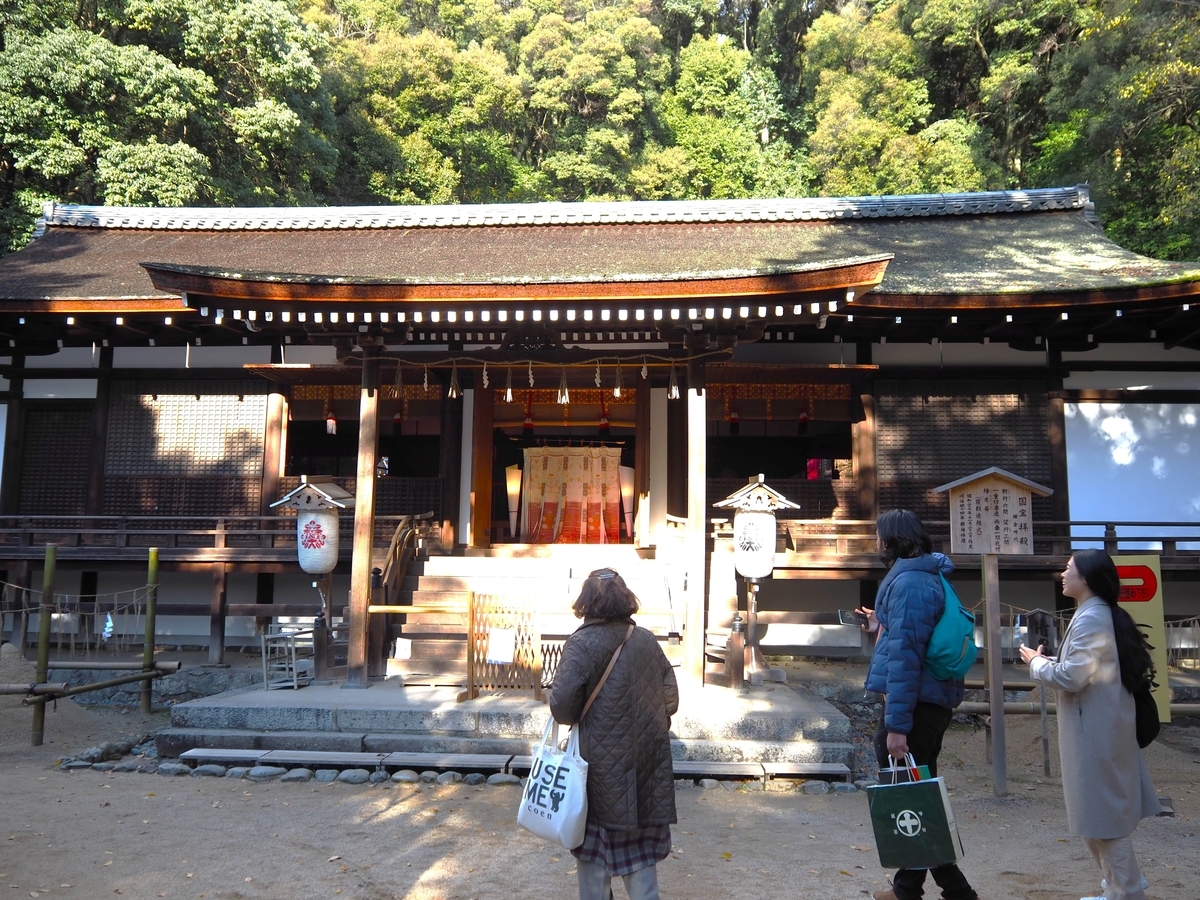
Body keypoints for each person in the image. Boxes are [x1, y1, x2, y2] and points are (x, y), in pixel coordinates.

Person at [1019, 549, 1159, 900]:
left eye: (1069, 569)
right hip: (1097, 728)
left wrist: (1037, 664)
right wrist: (1049, 660)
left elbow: (1073, 677)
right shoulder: (1094, 613)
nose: (1063, 574)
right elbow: (1083, 667)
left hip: (1095, 733)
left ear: (1088, 579)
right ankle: (1118, 886)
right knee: (1094, 816)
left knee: (1103, 818)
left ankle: (1125, 890)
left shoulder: (1091, 617)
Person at [856, 509, 979, 900]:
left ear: (889, 542)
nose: (878, 544)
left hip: (916, 703)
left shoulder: (908, 583)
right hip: (930, 699)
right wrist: (882, 624)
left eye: (880, 538)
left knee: (910, 793)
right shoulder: (929, 577)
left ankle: (909, 889)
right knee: (920, 791)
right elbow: (909, 637)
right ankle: (951, 889)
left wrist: (896, 726)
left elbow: (907, 656)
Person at [548, 568, 679, 900]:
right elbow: (671, 700)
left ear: (586, 601)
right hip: (645, 770)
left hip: (597, 774)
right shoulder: (646, 640)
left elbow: (562, 708)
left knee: (594, 865)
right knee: (642, 868)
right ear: (625, 598)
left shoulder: (580, 643)